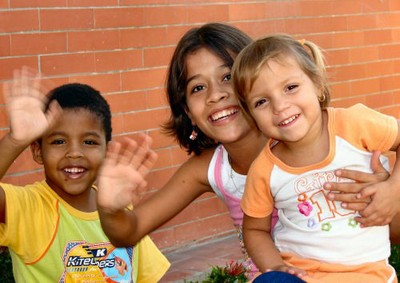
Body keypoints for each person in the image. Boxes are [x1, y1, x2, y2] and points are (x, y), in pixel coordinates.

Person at [96, 23, 398, 281]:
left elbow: (390, 233)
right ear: (187, 111)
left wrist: (391, 193)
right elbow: (127, 232)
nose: (217, 95)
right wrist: (110, 208)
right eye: (198, 88)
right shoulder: (209, 169)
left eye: (227, 77)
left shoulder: (332, 138)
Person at [233, 34, 400, 282]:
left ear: (318, 85)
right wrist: (275, 266)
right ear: (251, 116)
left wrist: (394, 190)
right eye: (262, 101)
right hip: (300, 276)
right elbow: (255, 229)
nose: (279, 106)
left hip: (366, 274)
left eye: (290, 88)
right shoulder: (265, 169)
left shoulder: (355, 124)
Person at [0, 67, 170, 282]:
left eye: (89, 142)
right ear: (37, 151)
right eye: (59, 141)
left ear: (106, 151)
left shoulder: (117, 209)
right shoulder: (28, 208)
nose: (74, 153)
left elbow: (147, 275)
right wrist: (15, 141)